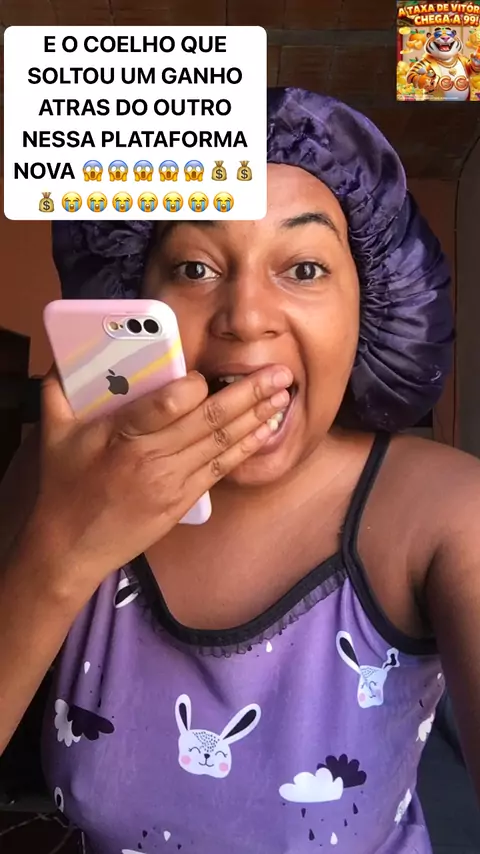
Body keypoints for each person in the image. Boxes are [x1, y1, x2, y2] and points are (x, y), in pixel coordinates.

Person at [0, 87, 478, 854]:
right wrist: (61, 557)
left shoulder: (447, 513)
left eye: (304, 268)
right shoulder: (61, 476)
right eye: (194, 266)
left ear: (370, 307)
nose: (247, 317)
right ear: (135, 297)